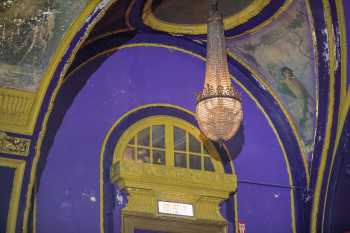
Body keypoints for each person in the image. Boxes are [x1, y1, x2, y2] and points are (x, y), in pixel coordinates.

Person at [278, 67, 314, 143]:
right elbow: (280, 88)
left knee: (309, 117)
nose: (287, 74)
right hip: (298, 102)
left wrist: (309, 96)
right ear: (283, 74)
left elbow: (303, 89)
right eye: (285, 73)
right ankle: (304, 137)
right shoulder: (284, 82)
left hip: (304, 100)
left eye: (288, 72)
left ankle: (310, 136)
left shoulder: (295, 80)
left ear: (290, 72)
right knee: (302, 119)